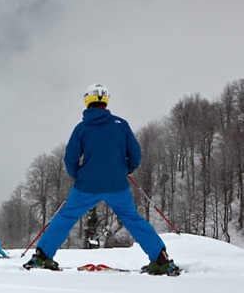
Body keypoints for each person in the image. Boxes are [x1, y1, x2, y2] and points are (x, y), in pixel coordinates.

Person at [24, 84, 180, 276]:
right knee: (132, 219)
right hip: (117, 184)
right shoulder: (121, 125)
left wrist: (77, 174)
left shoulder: (81, 128)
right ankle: (160, 259)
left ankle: (42, 256)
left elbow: (70, 158)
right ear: (105, 101)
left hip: (86, 186)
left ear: (87, 101)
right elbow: (136, 154)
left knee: (66, 217)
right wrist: (126, 169)